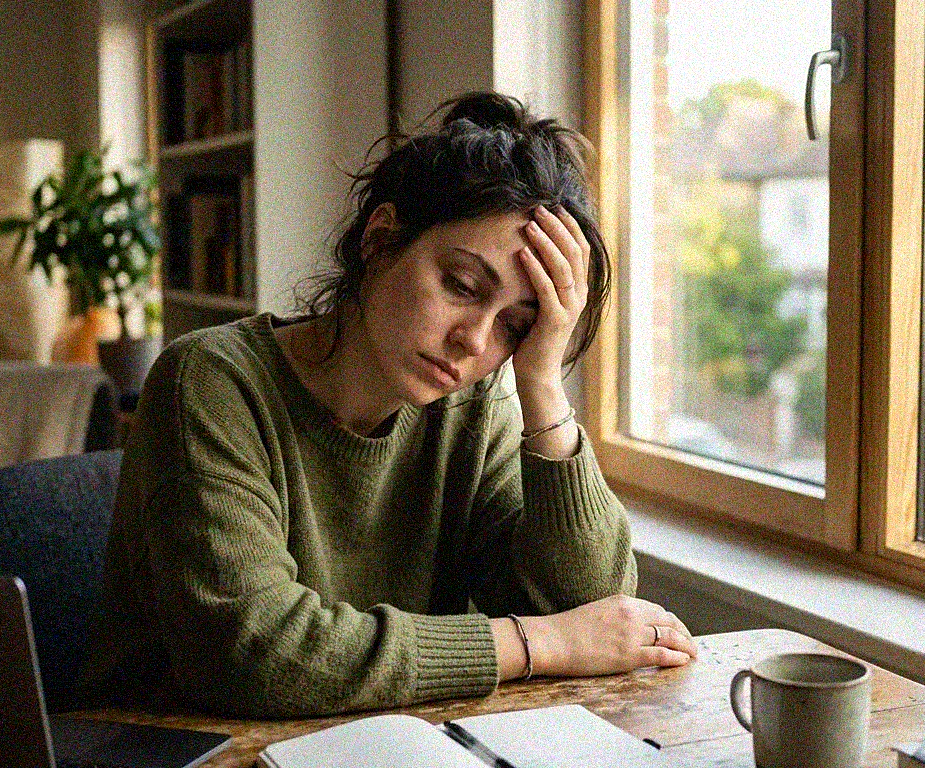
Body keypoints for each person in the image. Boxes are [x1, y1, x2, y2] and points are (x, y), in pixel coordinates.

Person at [79, 92, 698, 719]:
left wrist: (542, 383)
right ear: (381, 238)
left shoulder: (473, 404)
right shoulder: (211, 381)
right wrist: (542, 645)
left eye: (514, 325)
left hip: (376, 740)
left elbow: (588, 604)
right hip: (176, 745)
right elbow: (255, 653)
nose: (475, 341)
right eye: (460, 285)